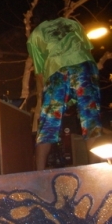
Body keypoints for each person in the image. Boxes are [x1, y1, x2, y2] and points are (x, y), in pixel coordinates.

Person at [27, 15, 102, 171]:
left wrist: (44, 96)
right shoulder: (73, 23)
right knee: (90, 120)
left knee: (48, 124)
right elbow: (87, 49)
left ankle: (39, 173)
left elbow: (39, 72)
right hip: (83, 67)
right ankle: (97, 170)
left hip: (57, 71)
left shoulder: (35, 34)